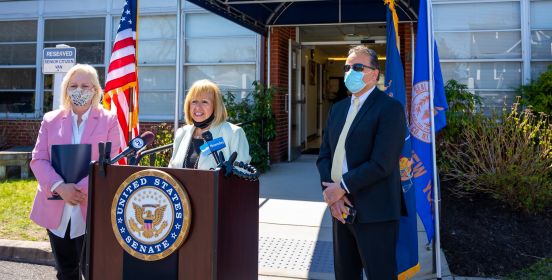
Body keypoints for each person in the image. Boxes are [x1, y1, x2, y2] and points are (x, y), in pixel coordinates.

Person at [316, 45, 406, 280]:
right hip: (340, 209)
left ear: (374, 74)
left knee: (380, 274)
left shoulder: (390, 108)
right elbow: (324, 155)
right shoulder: (338, 109)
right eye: (347, 67)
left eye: (357, 67)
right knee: (345, 274)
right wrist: (331, 192)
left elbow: (381, 163)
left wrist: (341, 188)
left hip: (375, 211)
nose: (350, 72)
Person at [29, 64, 121, 280]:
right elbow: (38, 159)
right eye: (74, 85)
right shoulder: (50, 120)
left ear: (95, 90)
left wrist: (78, 191)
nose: (79, 90)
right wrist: (60, 187)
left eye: (85, 85)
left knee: (93, 271)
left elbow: (113, 162)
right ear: (66, 89)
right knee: (65, 271)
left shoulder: (109, 120)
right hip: (55, 205)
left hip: (92, 206)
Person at [168, 79, 251, 169]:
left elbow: (243, 173)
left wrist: (231, 173)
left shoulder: (234, 133)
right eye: (194, 101)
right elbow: (172, 170)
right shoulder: (182, 133)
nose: (198, 107)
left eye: (204, 102)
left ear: (215, 106)